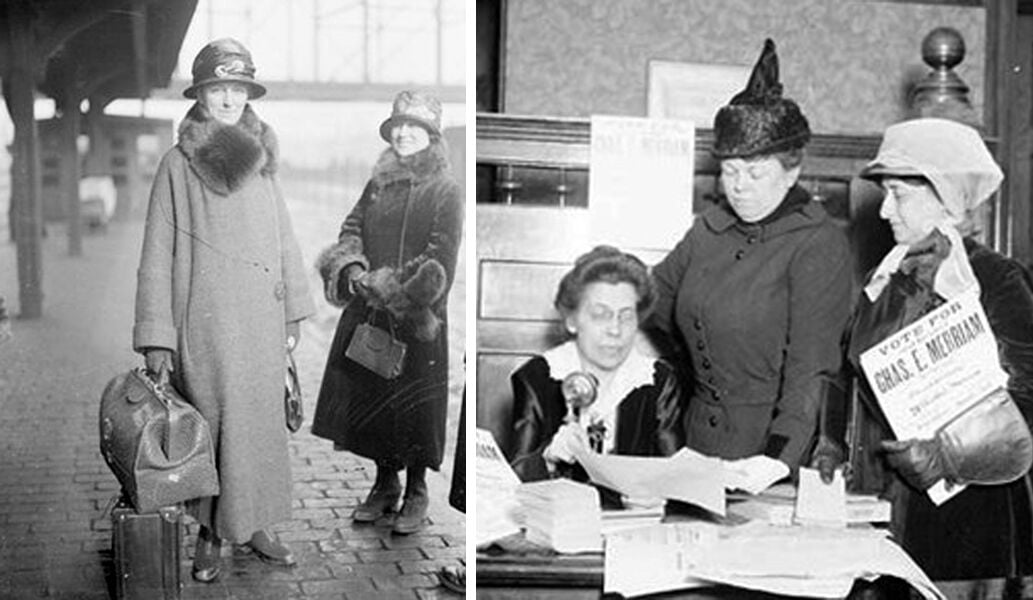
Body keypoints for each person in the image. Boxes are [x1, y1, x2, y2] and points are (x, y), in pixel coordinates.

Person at [811, 117, 1033, 580]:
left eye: (900, 194)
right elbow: (852, 372)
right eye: (886, 193)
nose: (885, 210)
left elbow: (1027, 399)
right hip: (887, 510)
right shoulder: (884, 281)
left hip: (972, 522)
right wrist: (833, 441)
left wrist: (949, 457)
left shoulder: (997, 281)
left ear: (947, 197)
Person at [133, 38, 314, 583]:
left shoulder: (262, 160)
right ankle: (212, 533)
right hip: (205, 325)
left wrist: (292, 315)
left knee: (259, 427)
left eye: (238, 89)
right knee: (213, 426)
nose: (230, 98)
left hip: (260, 322)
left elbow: (283, 239)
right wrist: (156, 335)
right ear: (201, 96)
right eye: (219, 89)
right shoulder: (177, 164)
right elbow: (155, 254)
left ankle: (256, 525)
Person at [646, 39, 852, 487]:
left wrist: (778, 458)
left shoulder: (817, 244)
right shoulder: (708, 230)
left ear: (792, 171)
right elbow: (652, 300)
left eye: (755, 173)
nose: (738, 187)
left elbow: (812, 369)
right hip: (695, 442)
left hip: (769, 454)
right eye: (730, 171)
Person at [312, 90, 463, 535]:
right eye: (398, 125)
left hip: (419, 321)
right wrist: (354, 267)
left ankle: (416, 490)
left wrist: (386, 288)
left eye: (413, 127)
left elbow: (441, 260)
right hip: (372, 317)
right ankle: (385, 484)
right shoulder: (377, 184)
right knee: (374, 404)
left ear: (431, 136)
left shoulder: (446, 190)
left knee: (415, 411)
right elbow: (351, 227)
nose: (403, 133)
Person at [506, 246, 685, 497]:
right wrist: (546, 458)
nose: (615, 330)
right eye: (600, 315)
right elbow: (510, 480)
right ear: (571, 320)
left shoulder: (658, 381)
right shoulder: (537, 377)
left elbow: (676, 477)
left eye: (626, 316)